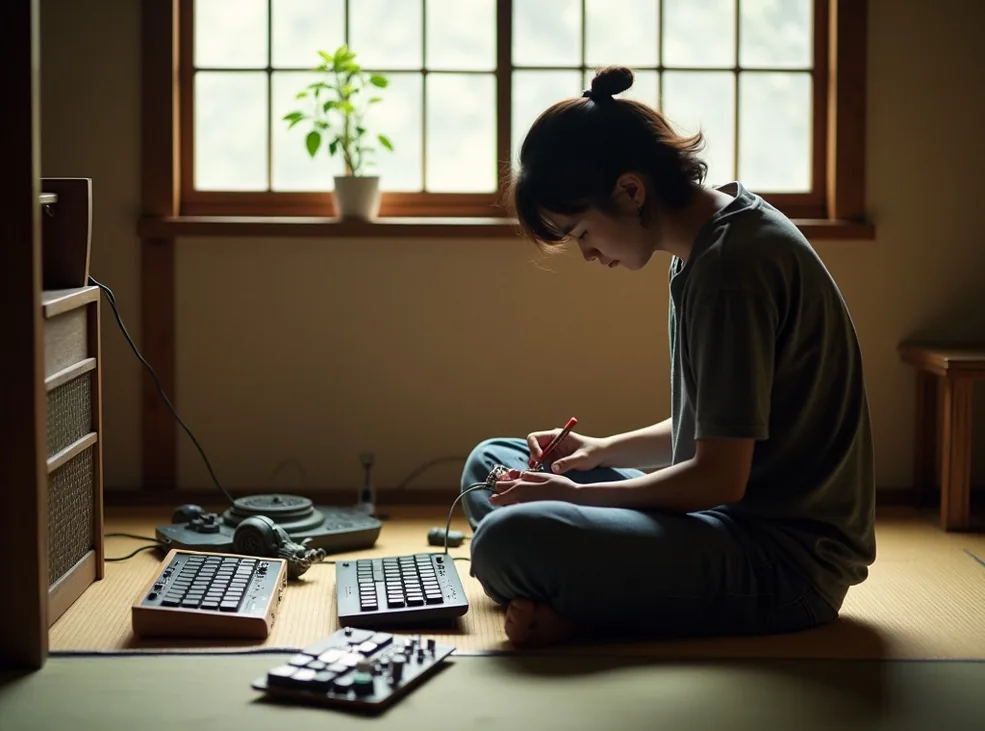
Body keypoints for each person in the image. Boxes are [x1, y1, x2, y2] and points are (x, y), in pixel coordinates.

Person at [459, 65, 876, 647]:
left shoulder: (732, 269)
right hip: (719, 520)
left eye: (581, 233)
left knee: (508, 540)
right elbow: (718, 427)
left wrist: (575, 497)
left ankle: (583, 611)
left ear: (631, 191)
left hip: (783, 563)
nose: (587, 255)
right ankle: (581, 592)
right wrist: (599, 451)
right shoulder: (707, 244)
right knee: (492, 466)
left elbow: (720, 475)